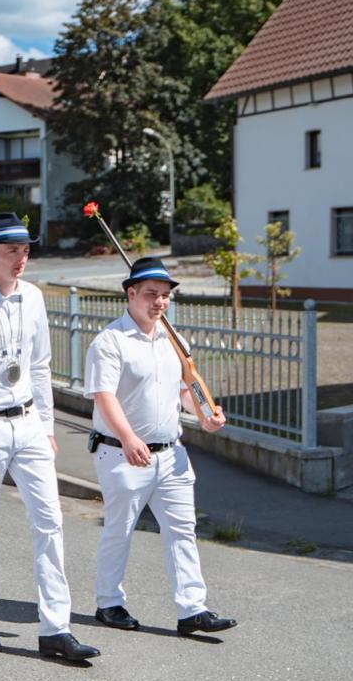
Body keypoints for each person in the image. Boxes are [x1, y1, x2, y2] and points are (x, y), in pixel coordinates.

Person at [0, 212, 100, 663]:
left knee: (50, 522)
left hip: (28, 421)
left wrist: (47, 428)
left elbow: (39, 366)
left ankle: (56, 627)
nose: (21, 258)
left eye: (26, 250)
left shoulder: (32, 298)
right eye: (12, 250)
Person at [84, 256, 238, 637]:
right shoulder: (110, 341)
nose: (159, 302)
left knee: (182, 530)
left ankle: (192, 609)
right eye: (151, 294)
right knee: (119, 529)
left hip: (172, 454)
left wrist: (204, 414)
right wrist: (129, 437)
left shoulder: (174, 341)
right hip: (122, 453)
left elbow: (185, 389)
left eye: (165, 295)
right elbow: (103, 397)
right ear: (130, 293)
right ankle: (109, 602)